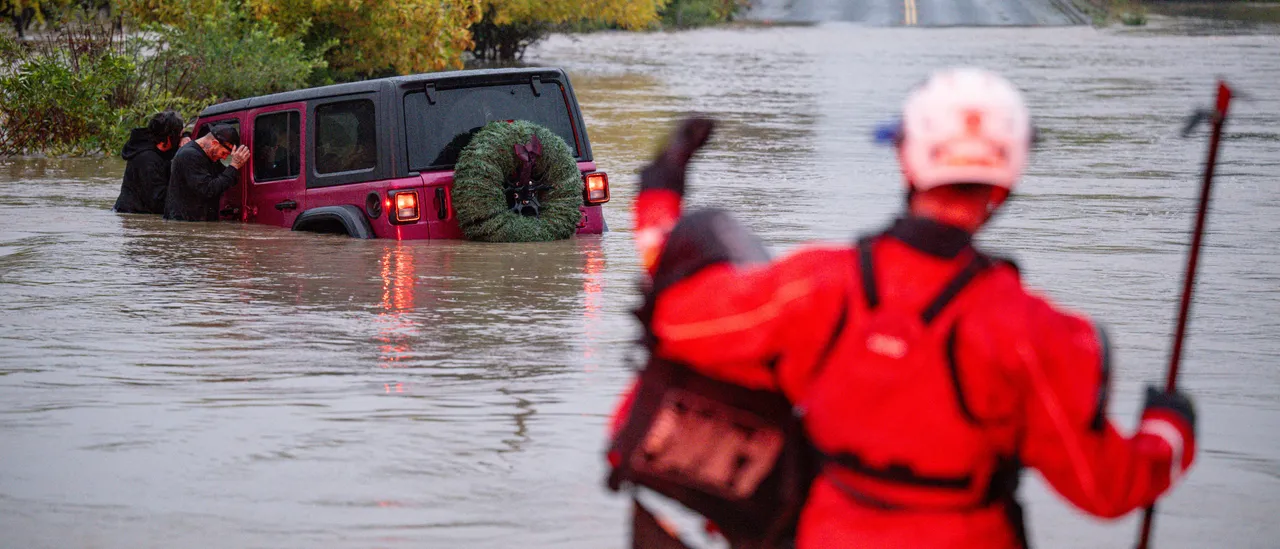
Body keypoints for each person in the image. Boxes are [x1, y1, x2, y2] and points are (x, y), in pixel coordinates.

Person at [625, 68, 1198, 549]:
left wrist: (660, 190)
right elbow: (1105, 490)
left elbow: (677, 315)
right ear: (1008, 175)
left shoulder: (817, 286)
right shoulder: (1037, 332)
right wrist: (1169, 429)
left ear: (906, 159)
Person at [164, 124, 250, 221]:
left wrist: (236, 166)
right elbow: (208, 190)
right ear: (214, 143)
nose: (225, 157)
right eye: (224, 153)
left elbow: (228, 179)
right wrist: (234, 165)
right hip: (185, 223)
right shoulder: (189, 155)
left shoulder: (210, 156)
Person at [112, 111, 184, 214]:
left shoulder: (157, 147)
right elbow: (157, 201)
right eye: (180, 134)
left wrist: (186, 136)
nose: (181, 138)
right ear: (170, 137)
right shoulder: (146, 160)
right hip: (132, 215)